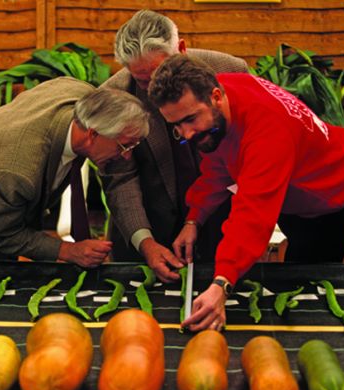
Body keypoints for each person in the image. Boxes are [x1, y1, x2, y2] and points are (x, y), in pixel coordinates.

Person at [148, 54, 344, 331]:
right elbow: (218, 165)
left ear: (215, 96)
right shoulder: (220, 99)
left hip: (329, 195)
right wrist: (194, 219)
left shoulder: (267, 133)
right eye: (176, 125)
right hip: (292, 190)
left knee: (308, 292)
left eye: (190, 119)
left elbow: (252, 216)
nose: (186, 134)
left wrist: (221, 284)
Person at [0, 77, 149, 268]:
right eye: (123, 145)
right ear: (93, 133)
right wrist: (66, 250)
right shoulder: (18, 170)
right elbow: (0, 233)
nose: (126, 155)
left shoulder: (79, 96)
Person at [100, 9, 248, 281]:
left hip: (220, 222)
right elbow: (120, 180)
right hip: (149, 228)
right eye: (143, 81)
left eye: (159, 72)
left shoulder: (230, 71)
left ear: (181, 49)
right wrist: (145, 243)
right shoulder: (114, 97)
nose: (155, 87)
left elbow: (248, 157)